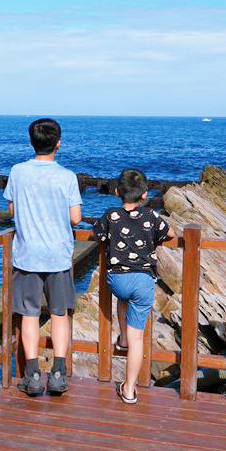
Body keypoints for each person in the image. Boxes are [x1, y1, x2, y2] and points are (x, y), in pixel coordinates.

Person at [4, 118, 83, 396]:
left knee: (28, 314)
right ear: (58, 144)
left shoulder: (18, 171)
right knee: (60, 314)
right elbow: (76, 217)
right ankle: (59, 373)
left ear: (32, 142)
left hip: (27, 255)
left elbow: (12, 211)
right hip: (58, 256)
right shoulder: (67, 176)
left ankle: (33, 374)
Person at [91, 169, 174, 404]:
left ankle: (123, 339)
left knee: (122, 299)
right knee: (139, 339)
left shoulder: (111, 215)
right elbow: (171, 233)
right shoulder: (151, 215)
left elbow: (95, 233)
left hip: (117, 280)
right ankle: (129, 389)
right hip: (143, 280)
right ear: (145, 194)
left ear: (117, 192)